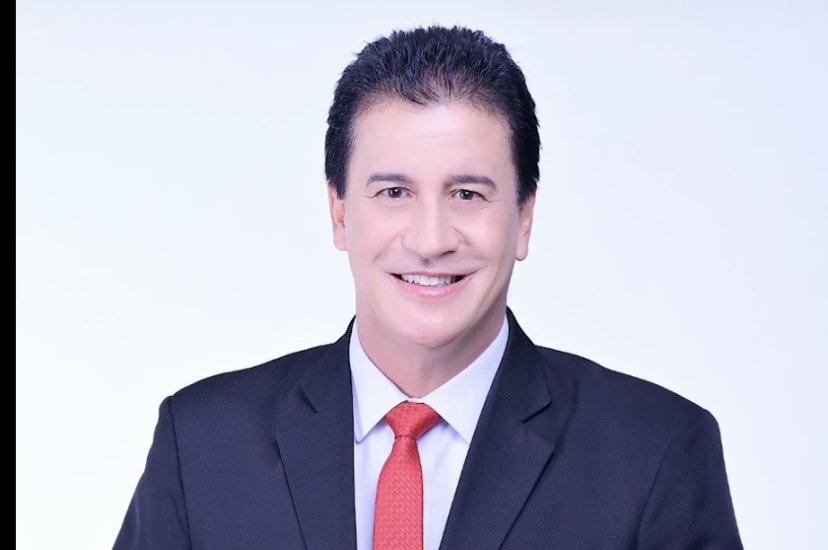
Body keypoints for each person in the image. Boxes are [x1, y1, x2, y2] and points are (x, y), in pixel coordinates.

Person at [113, 25, 743, 549]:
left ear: (524, 217)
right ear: (339, 212)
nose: (431, 239)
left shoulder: (656, 452)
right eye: (394, 192)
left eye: (467, 193)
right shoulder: (201, 444)